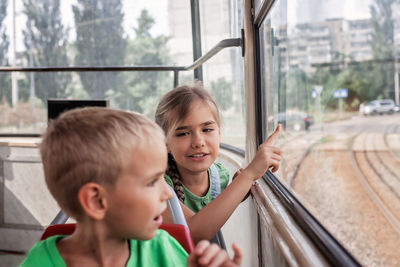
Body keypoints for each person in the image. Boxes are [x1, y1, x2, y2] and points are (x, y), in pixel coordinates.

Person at [21, 107, 242, 267]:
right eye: (152, 182)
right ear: (97, 201)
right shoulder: (39, 262)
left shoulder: (163, 248)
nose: (167, 193)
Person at [155, 83, 282, 243]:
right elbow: (193, 233)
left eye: (207, 130)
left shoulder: (219, 175)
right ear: (165, 142)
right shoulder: (157, 184)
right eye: (183, 133)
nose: (198, 142)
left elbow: (214, 207)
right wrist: (249, 175)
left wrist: (238, 187)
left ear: (219, 133)